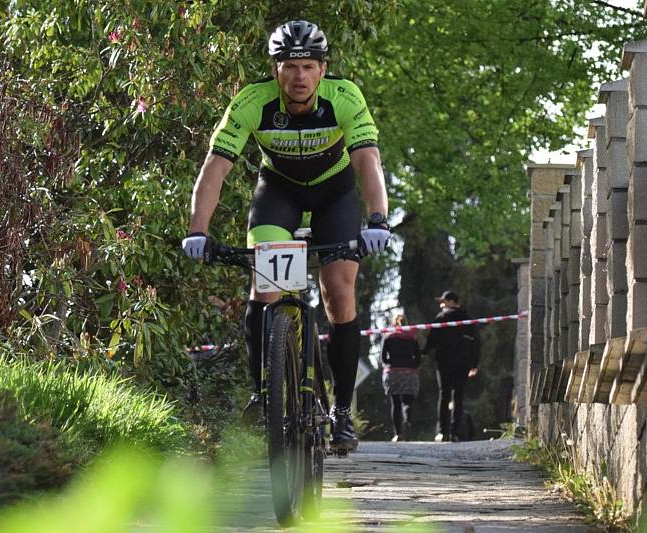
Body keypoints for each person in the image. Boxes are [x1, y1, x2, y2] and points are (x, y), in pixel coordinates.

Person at [181, 20, 390, 454]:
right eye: (289, 66)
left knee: (338, 291)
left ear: (323, 68)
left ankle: (341, 412)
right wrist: (198, 230)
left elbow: (368, 161)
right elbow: (215, 168)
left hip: (335, 195)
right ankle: (264, 393)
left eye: (308, 66)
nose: (299, 76)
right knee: (267, 289)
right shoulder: (252, 102)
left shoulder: (344, 97)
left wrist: (378, 220)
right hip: (279, 193)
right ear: (275, 70)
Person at [425, 290, 480, 442]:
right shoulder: (467, 319)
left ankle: (443, 432)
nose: (441, 305)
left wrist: (423, 352)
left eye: (443, 302)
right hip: (463, 363)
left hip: (444, 363)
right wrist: (474, 363)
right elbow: (476, 342)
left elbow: (431, 339)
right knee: (459, 396)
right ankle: (455, 433)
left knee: (444, 395)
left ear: (451, 302)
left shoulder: (441, 318)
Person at [380, 314, 420, 442]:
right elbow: (418, 358)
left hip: (393, 372)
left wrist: (388, 365)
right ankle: (407, 421)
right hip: (409, 371)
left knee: (395, 403)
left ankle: (398, 434)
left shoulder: (388, 336)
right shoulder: (412, 337)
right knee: (407, 402)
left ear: (394, 323)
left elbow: (383, 357)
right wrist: (413, 366)